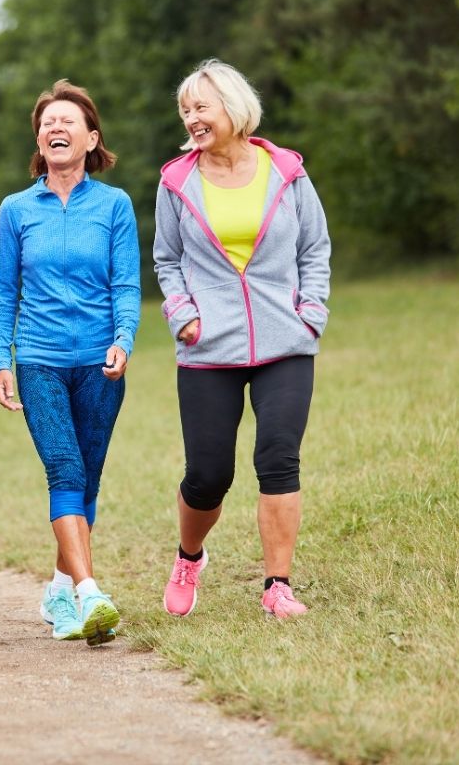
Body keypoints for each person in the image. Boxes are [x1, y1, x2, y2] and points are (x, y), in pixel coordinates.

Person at [153, 58, 331, 619]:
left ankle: (277, 585)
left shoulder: (287, 172)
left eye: (200, 107)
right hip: (208, 346)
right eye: (185, 110)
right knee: (209, 474)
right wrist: (183, 315)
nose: (192, 118)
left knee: (279, 458)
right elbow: (167, 259)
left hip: (285, 340)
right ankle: (189, 556)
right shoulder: (176, 181)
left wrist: (310, 313)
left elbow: (314, 248)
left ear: (232, 107)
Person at [0, 80, 141, 646]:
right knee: (64, 469)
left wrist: (124, 337)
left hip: (101, 362)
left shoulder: (115, 205)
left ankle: (59, 588)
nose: (55, 127)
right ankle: (90, 591)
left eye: (67, 121)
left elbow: (127, 282)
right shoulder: (16, 209)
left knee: (88, 478)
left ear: (91, 138)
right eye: (47, 121)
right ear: (39, 138)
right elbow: (2, 292)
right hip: (40, 359)